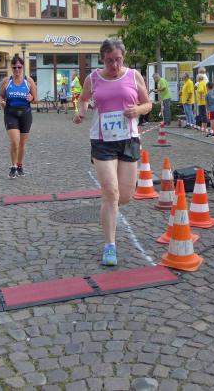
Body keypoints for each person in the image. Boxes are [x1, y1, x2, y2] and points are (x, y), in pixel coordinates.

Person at [72, 38, 151, 266]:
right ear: (102, 59)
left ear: (123, 57)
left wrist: (138, 110)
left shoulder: (134, 76)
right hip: (102, 141)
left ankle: (109, 204)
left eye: (118, 60)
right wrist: (81, 112)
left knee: (124, 196)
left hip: (128, 139)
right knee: (111, 192)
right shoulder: (93, 78)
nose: (114, 65)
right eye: (109, 61)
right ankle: (110, 245)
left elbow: (148, 104)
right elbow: (83, 99)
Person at [0, 54, 37, 179]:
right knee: (14, 142)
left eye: (19, 67)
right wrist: (2, 101)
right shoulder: (6, 81)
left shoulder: (29, 81)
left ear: (23, 67)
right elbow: (1, 95)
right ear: (11, 68)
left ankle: (20, 165)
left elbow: (36, 99)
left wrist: (32, 98)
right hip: (10, 114)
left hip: (25, 114)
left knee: (22, 143)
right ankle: (13, 166)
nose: (17, 70)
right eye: (14, 67)